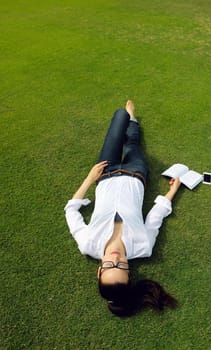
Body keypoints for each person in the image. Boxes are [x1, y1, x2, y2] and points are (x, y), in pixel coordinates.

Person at [64, 100, 181, 317]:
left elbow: (71, 211)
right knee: (132, 143)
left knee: (119, 117)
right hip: (135, 174)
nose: (116, 259)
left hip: (105, 173)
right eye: (121, 267)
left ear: (100, 271)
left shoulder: (88, 244)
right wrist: (173, 191)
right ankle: (133, 117)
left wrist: (90, 179)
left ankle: (126, 116)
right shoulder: (143, 246)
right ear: (129, 274)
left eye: (109, 266)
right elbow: (156, 216)